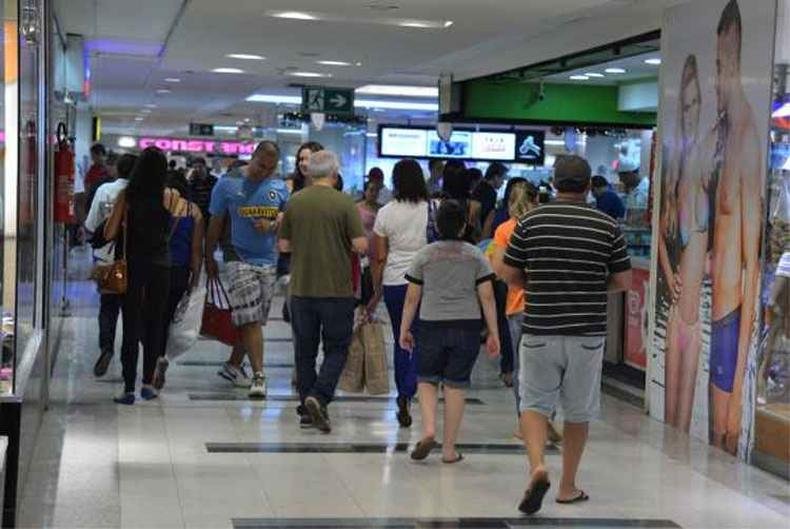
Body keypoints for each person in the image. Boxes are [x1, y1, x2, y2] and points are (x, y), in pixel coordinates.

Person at [500, 155, 631, 514]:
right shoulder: (607, 225)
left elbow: (508, 272)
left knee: (533, 403)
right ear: (589, 186)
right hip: (586, 333)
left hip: (540, 327)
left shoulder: (530, 221)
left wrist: (537, 284)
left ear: (554, 184)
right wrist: (589, 287)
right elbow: (622, 281)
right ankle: (568, 485)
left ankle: (537, 466)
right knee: (578, 410)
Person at [402, 200, 500, 464]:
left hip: (431, 324)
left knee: (426, 378)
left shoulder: (424, 254)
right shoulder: (475, 255)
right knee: (456, 385)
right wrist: (494, 332)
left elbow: (412, 298)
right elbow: (488, 297)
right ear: (463, 226)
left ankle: (429, 429)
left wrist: (404, 330)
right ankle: (448, 450)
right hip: (466, 327)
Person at [279, 150, 367, 433]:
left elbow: (284, 246)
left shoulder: (295, 202)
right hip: (337, 290)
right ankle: (319, 395)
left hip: (302, 289)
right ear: (334, 171)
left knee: (304, 351)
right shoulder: (344, 203)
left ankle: (308, 409)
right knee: (337, 348)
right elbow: (360, 245)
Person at [708, 0, 762, 455]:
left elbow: (752, 265)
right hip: (714, 311)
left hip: (730, 319)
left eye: (724, 63)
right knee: (712, 437)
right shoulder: (721, 134)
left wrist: (744, 368)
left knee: (723, 435)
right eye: (715, 63)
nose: (717, 75)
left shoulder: (745, 137)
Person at [104, 147, 188, 405]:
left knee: (130, 325)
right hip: (162, 266)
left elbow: (108, 233)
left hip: (134, 266)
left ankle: (128, 388)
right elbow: (175, 224)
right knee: (154, 324)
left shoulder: (126, 196)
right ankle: (148, 384)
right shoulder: (171, 196)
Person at [205, 141, 289, 399]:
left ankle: (232, 365)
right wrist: (208, 256)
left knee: (252, 317)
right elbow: (215, 221)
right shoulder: (228, 184)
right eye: (261, 165)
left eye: (270, 168)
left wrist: (275, 224)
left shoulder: (279, 188)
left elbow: (287, 220)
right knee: (250, 318)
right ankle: (259, 376)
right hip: (236, 257)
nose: (264, 171)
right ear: (252, 157)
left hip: (268, 261)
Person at [658, 54, 710, 434]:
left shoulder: (706, 160)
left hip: (694, 320)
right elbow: (662, 232)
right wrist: (667, 271)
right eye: (686, 104)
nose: (691, 111)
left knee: (682, 424)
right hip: (679, 312)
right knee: (671, 425)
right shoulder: (675, 172)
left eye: (696, 103)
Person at [369, 159, 430, 427]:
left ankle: (402, 394)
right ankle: (409, 389)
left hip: (394, 281)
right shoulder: (432, 210)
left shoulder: (385, 213)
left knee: (400, 337)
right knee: (421, 337)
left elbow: (379, 256)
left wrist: (376, 291)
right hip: (426, 281)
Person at [85, 153, 137, 378]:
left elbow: (91, 224)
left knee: (108, 307)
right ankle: (131, 361)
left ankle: (106, 347)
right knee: (132, 311)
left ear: (117, 169)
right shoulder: (143, 193)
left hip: (107, 259)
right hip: (135, 260)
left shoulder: (105, 190)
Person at [152, 174, 205, 389]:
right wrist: (195, 277)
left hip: (154, 268)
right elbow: (195, 250)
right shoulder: (193, 211)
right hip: (179, 271)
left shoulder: (155, 205)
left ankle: (154, 356)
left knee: (154, 317)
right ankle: (161, 356)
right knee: (169, 315)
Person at [441, 160, 482, 243]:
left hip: (439, 250)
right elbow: (478, 234)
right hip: (467, 251)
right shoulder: (474, 206)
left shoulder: (436, 204)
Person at [357, 180, 382, 304]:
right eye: (371, 190)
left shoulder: (382, 209)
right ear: (365, 191)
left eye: (376, 191)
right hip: (362, 253)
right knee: (364, 286)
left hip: (378, 253)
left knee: (375, 287)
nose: (374, 193)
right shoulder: (357, 208)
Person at [474, 161, 508, 238]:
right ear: (496, 177)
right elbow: (485, 217)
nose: (503, 182)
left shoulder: (479, 187)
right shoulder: (490, 193)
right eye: (502, 178)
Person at [188, 156, 218, 220]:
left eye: (200, 167)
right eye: (195, 167)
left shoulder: (213, 180)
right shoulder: (193, 181)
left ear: (205, 167)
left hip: (209, 212)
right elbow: (189, 195)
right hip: (196, 212)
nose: (198, 169)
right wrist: (190, 181)